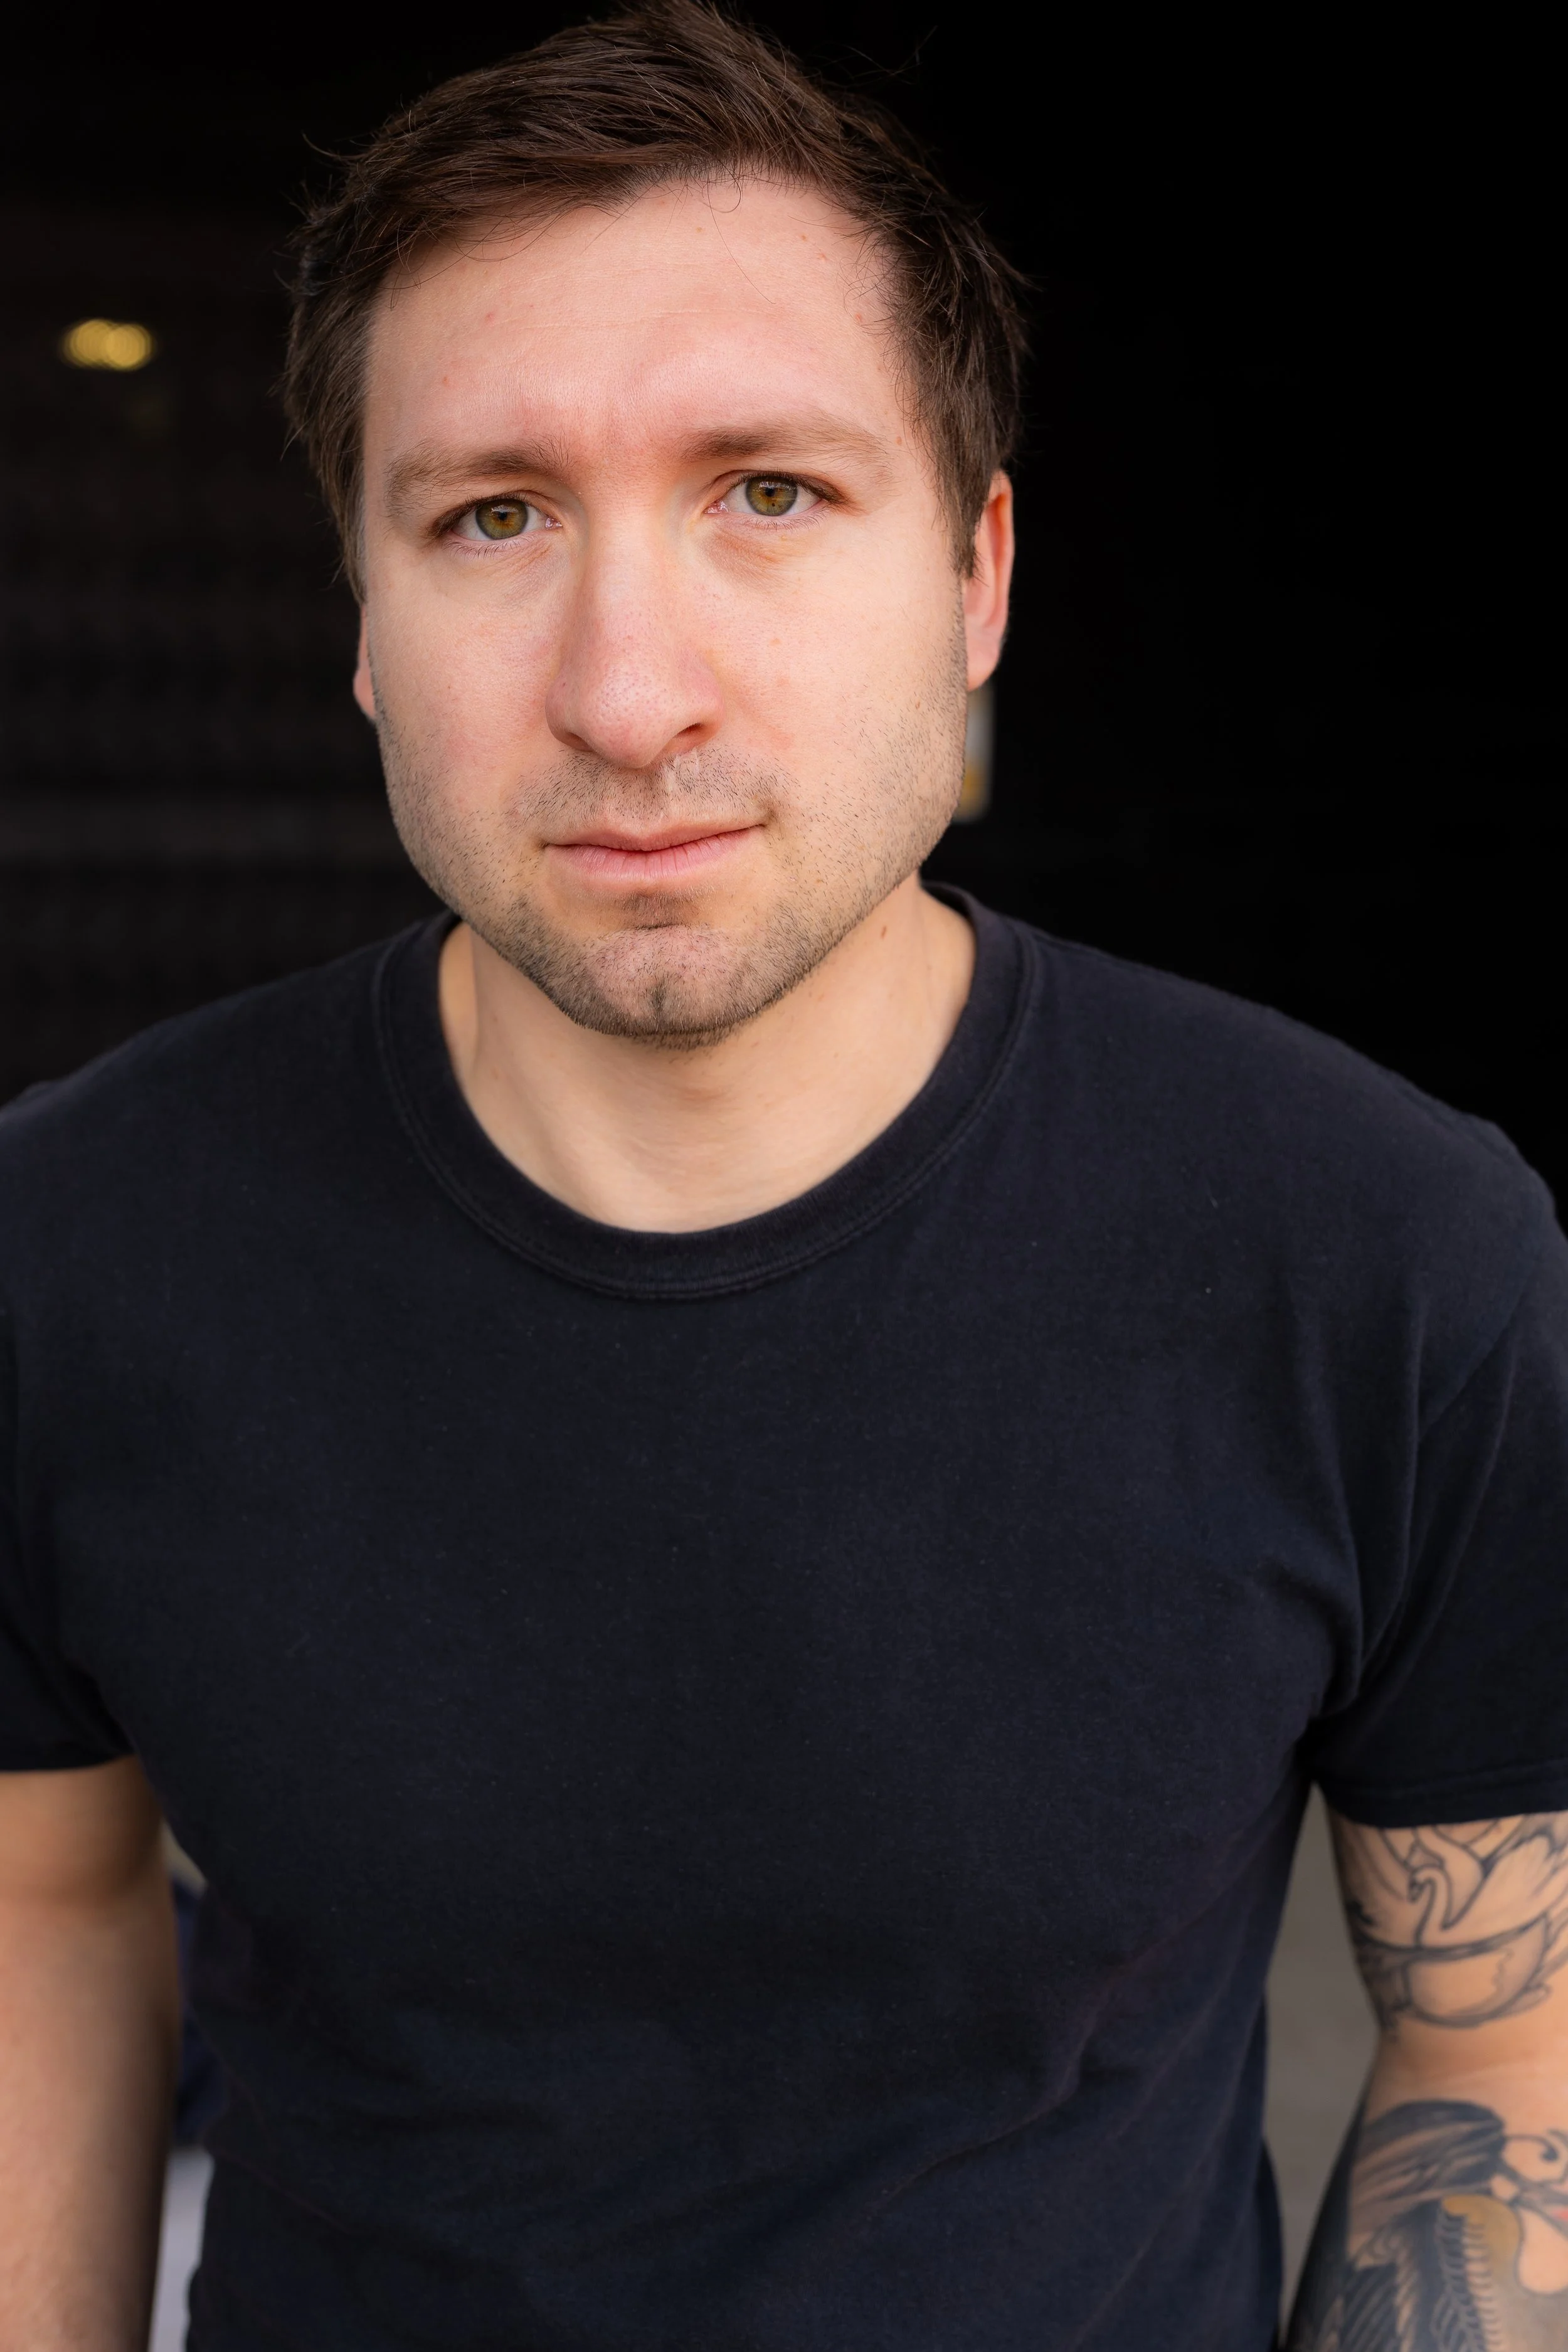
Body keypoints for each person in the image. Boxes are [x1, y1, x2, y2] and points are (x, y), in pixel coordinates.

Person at [1, 6, 1565, 2346]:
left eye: (769, 492)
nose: (630, 692)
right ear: (359, 620)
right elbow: (44, 1908)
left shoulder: (1377, 1254)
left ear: (977, 579)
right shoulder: (70, 1249)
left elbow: (1497, 2021)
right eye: (492, 515)